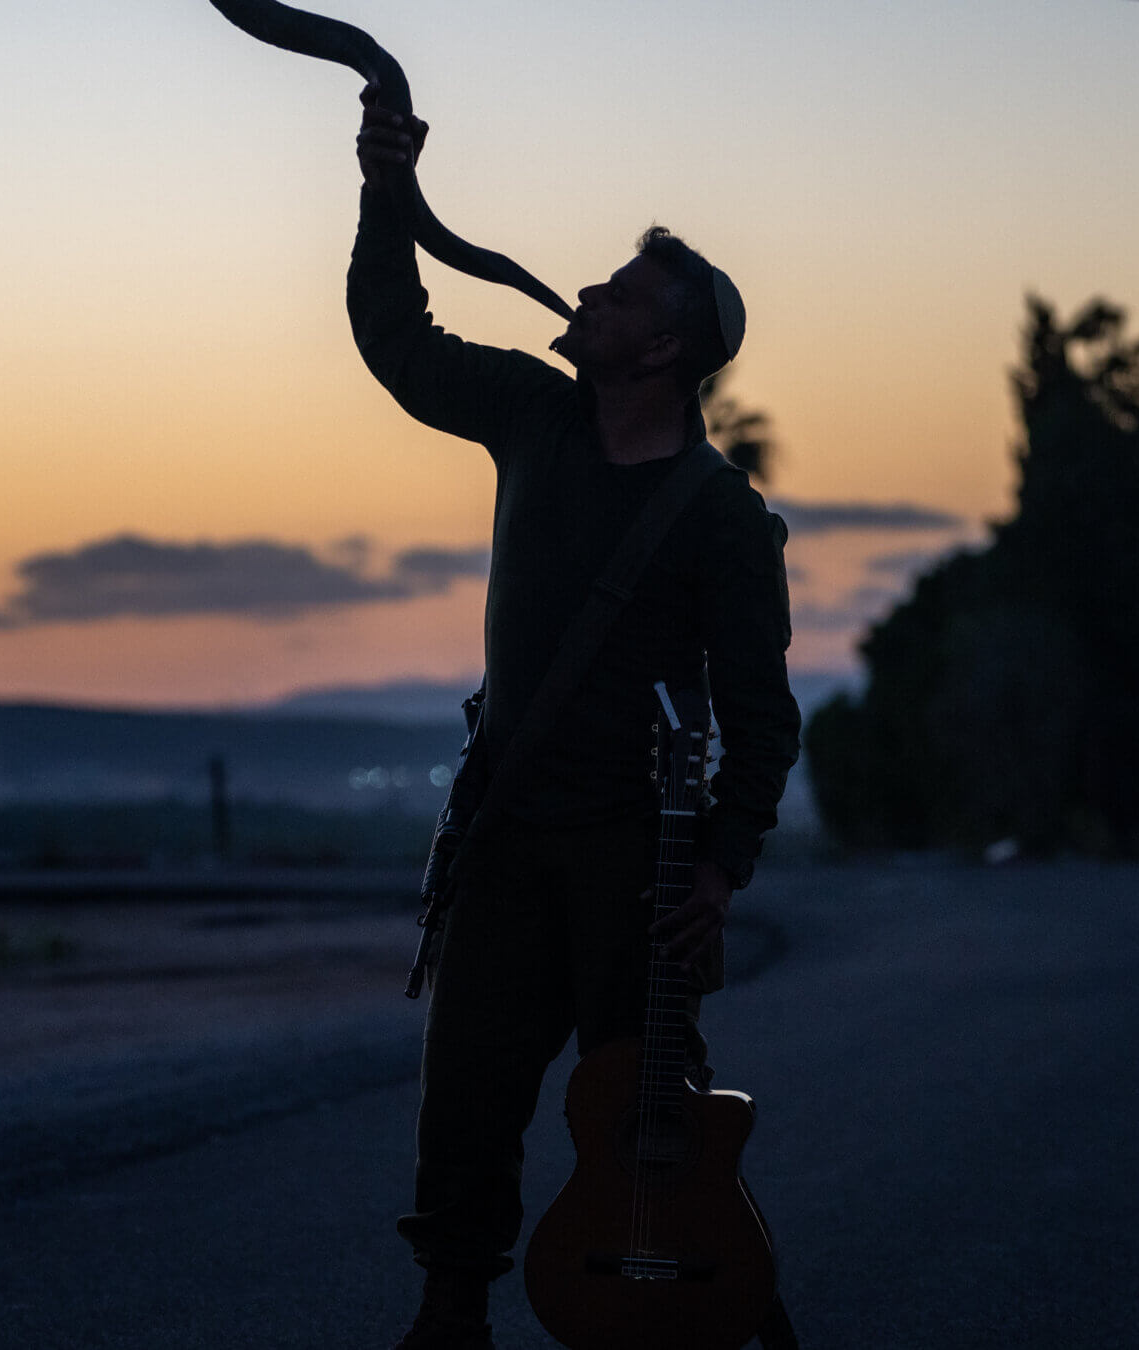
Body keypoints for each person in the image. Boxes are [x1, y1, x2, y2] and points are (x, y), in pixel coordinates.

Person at [352, 89, 801, 1350]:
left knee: (652, 1137)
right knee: (465, 1120)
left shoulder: (722, 519)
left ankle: (676, 1323)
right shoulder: (536, 420)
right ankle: (451, 1321)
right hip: (506, 844)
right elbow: (397, 335)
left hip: (635, 871)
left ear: (663, 350)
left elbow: (764, 721)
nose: (585, 299)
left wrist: (719, 868)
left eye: (618, 294)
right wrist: (389, 186)